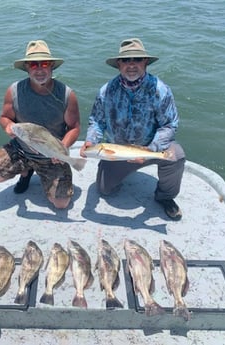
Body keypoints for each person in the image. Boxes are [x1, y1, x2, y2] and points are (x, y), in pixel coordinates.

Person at [80, 38, 186, 220]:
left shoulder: (160, 90)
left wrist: (149, 149)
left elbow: (169, 125)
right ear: (118, 64)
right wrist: (91, 141)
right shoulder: (106, 91)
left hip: (152, 147)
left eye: (137, 59)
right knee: (104, 190)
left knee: (176, 156)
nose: (131, 65)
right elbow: (97, 121)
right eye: (126, 60)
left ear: (145, 62)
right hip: (118, 151)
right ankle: (114, 171)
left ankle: (165, 197)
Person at [0, 40, 81, 209]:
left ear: (51, 67)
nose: (40, 69)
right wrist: (8, 126)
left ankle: (42, 173)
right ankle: (25, 171)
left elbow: (74, 128)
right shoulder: (14, 91)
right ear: (27, 68)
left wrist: (62, 148)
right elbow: (5, 117)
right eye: (34, 65)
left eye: (44, 64)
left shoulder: (67, 95)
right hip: (21, 149)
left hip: (51, 155)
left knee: (61, 204)